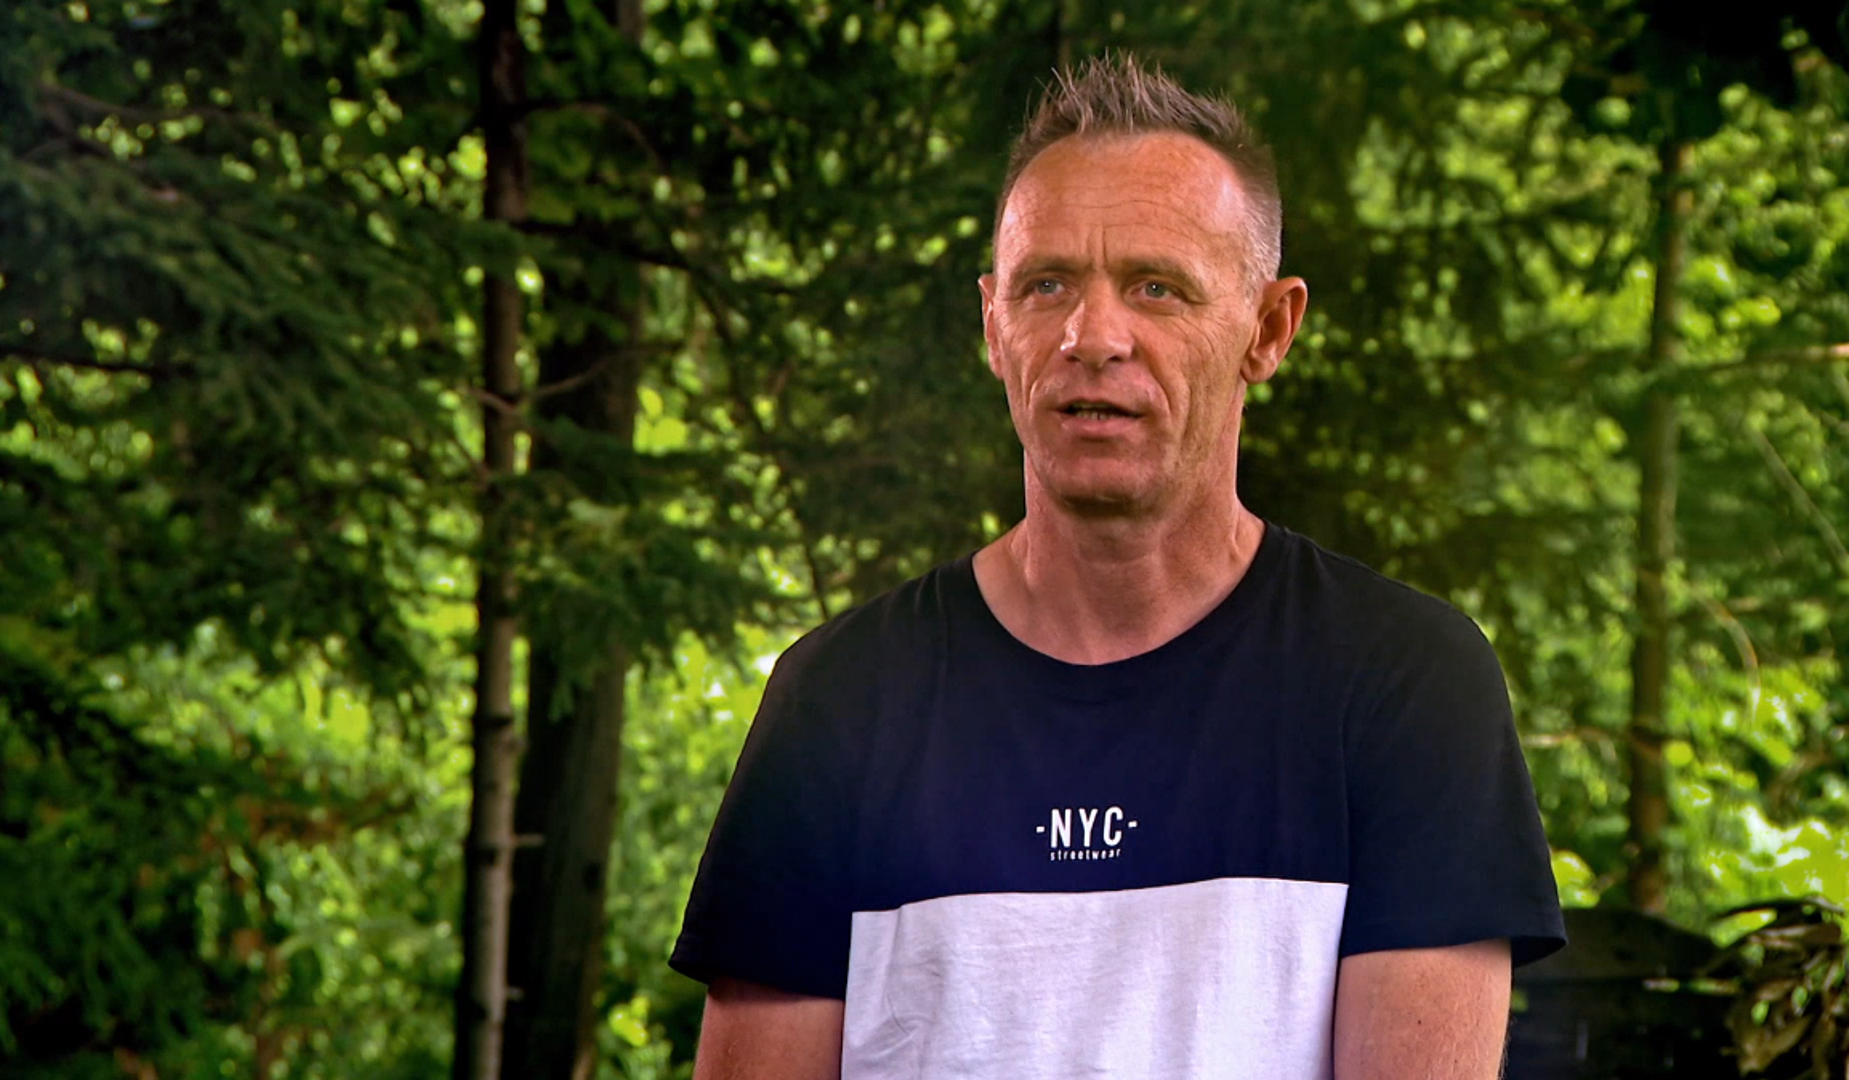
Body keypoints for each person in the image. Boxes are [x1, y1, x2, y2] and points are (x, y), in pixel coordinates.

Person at [670, 54, 1565, 1079]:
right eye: (1046, 285)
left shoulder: (1405, 683)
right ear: (993, 325)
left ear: (1268, 329)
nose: (1091, 337)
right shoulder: (841, 699)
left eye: (1157, 287)